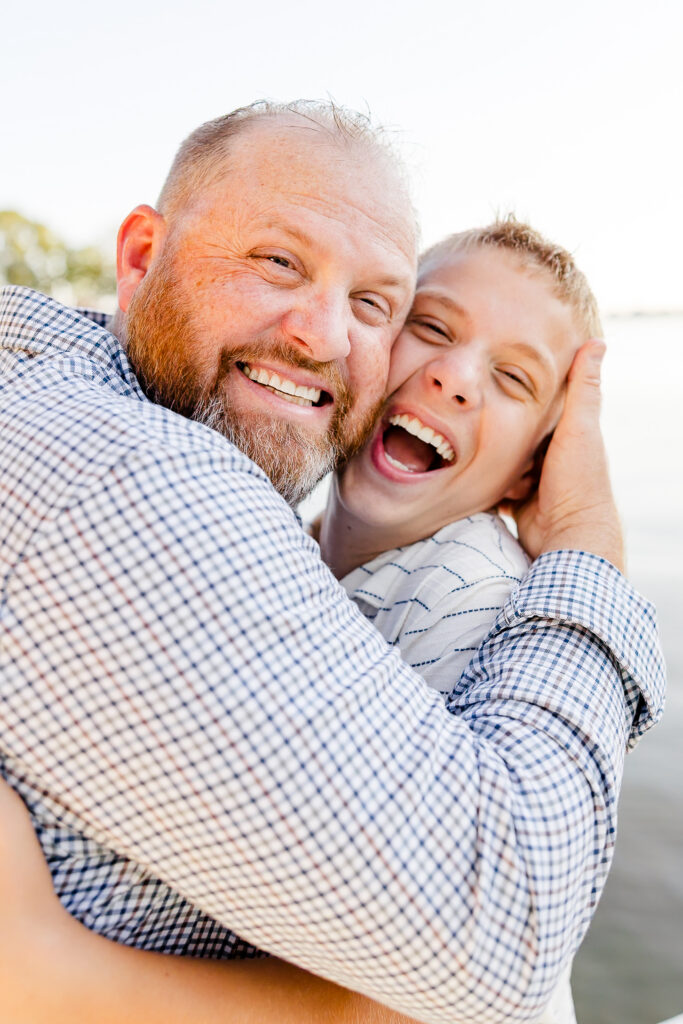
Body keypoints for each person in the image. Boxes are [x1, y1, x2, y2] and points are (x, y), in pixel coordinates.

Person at [0, 101, 664, 1023]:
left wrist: (54, 975)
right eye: (279, 261)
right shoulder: (172, 493)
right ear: (142, 255)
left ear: (534, 467)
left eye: (371, 303)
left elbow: (471, 959)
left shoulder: (468, 600)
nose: (323, 335)